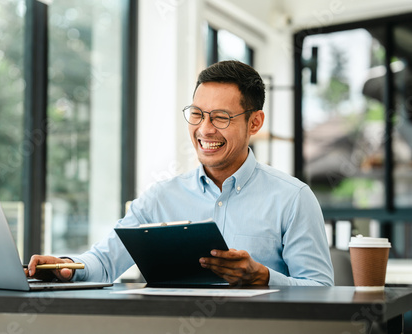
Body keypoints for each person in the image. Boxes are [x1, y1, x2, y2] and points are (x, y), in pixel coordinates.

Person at [26, 60, 334, 286]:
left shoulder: (293, 199)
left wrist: (264, 277)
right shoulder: (161, 197)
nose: (204, 129)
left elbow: (322, 290)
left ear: (254, 123)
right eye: (198, 114)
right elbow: (105, 261)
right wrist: (64, 265)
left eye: (221, 117)